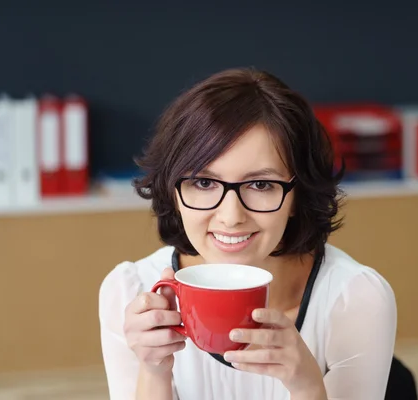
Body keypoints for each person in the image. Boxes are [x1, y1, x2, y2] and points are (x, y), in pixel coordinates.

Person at [98, 67, 397, 400]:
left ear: (297, 196)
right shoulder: (130, 293)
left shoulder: (354, 300)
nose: (231, 216)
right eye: (204, 182)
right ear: (173, 192)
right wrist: (154, 372)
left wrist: (306, 384)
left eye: (260, 184)